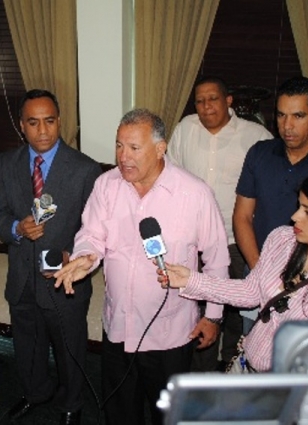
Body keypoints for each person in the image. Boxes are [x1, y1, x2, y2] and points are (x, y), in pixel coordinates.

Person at [54, 109, 229, 425]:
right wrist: (84, 257)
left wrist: (213, 316)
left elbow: (217, 260)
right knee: (120, 412)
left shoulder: (194, 193)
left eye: (134, 148)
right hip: (118, 326)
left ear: (160, 149)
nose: (123, 156)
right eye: (119, 145)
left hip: (170, 334)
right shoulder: (106, 185)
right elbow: (92, 234)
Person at [163, 167, 308, 372]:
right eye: (299, 205)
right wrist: (191, 280)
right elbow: (251, 292)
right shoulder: (283, 239)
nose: (295, 216)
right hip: (245, 367)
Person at [0, 89, 101, 425]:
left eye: (49, 121)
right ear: (22, 125)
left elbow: (95, 227)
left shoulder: (85, 169)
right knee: (28, 345)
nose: (42, 130)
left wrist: (76, 254)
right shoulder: (8, 163)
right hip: (22, 277)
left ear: (59, 122)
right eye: (33, 122)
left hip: (63, 278)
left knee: (69, 348)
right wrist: (16, 227)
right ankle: (36, 392)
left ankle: (71, 403)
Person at [233, 76, 308, 330]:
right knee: (253, 349)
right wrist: (260, 270)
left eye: (298, 116)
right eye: (280, 116)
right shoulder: (260, 153)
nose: (287, 126)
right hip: (258, 268)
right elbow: (242, 217)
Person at [168, 76, 273, 370]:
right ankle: (199, 372)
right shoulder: (185, 129)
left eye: (212, 99)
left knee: (240, 309)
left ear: (228, 101)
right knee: (199, 307)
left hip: (237, 238)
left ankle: (232, 366)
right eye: (199, 101)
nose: (205, 106)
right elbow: (171, 176)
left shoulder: (257, 136)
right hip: (196, 239)